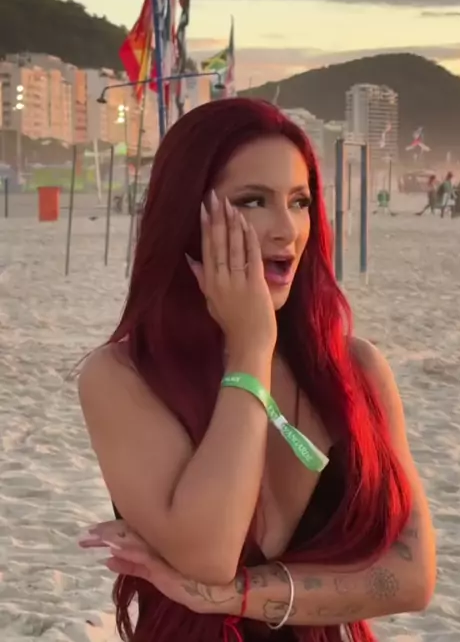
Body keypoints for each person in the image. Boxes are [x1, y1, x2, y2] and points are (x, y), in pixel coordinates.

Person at [77, 99, 436, 642]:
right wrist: (251, 348)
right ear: (187, 215)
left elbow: (412, 578)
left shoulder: (357, 369)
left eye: (299, 202)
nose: (286, 229)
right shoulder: (122, 377)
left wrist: (235, 597)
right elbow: (210, 555)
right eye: (253, 201)